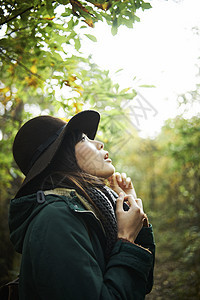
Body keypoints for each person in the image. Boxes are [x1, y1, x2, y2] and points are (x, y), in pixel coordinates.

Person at [9, 110, 155, 300]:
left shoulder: (92, 207)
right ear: (63, 156)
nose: (99, 143)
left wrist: (132, 211)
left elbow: (142, 284)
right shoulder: (56, 219)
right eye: (84, 139)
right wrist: (126, 240)